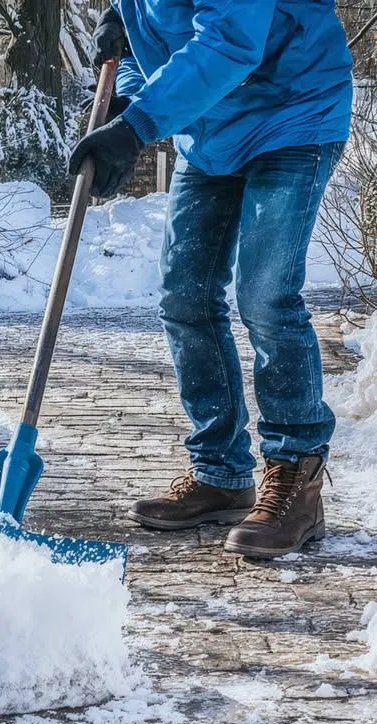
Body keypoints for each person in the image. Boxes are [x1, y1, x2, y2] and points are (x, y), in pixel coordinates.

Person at [69, 1, 352, 559]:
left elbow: (230, 42)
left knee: (266, 294)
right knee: (185, 295)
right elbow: (153, 43)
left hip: (294, 112)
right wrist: (127, 91)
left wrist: (136, 128)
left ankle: (297, 477)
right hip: (213, 132)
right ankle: (221, 473)